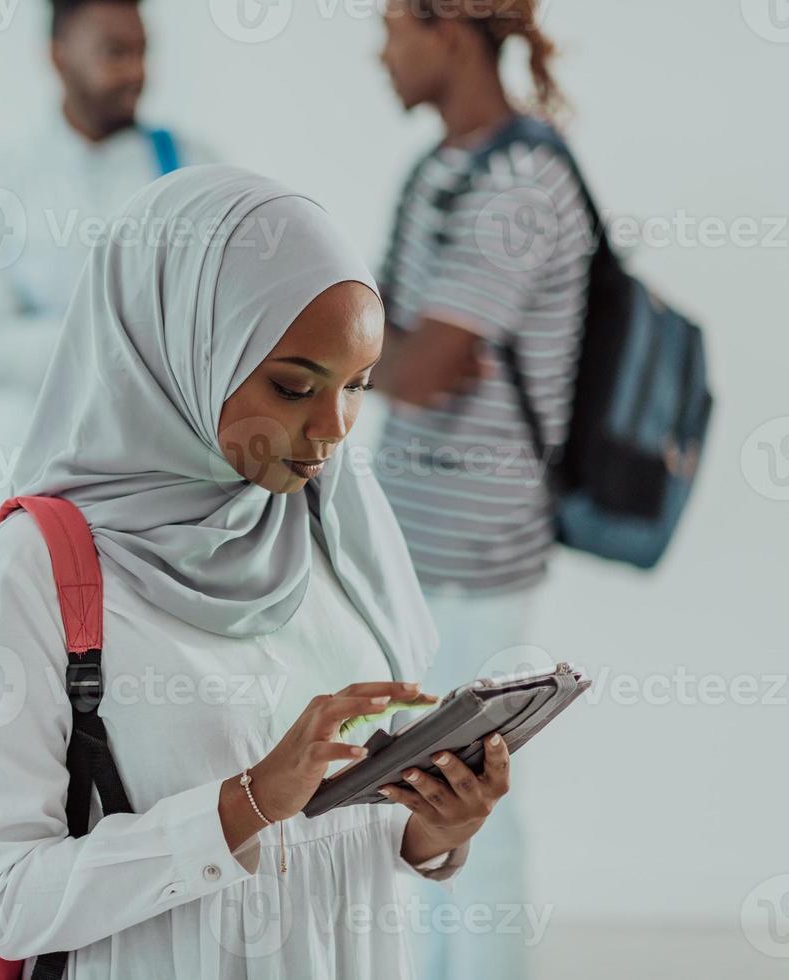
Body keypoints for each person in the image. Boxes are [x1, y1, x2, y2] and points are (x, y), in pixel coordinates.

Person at [0, 165, 517, 978]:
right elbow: (6, 900)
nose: (332, 432)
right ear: (180, 344)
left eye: (357, 386)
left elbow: (358, 834)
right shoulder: (30, 571)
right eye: (293, 387)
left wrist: (436, 832)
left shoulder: (332, 524)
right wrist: (241, 806)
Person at [370, 2, 591, 977]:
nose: (379, 51)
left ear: (448, 33)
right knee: (405, 811)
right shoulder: (437, 171)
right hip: (410, 545)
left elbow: (421, 366)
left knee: (473, 809)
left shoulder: (523, 180)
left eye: (391, 27)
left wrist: (333, 354)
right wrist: (388, 350)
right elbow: (398, 346)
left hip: (477, 552)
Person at [0, 0, 217, 558]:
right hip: (19, 494)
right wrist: (121, 340)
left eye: (143, 51)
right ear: (57, 56)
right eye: (116, 52)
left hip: (154, 508)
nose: (137, 71)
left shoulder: (194, 170)